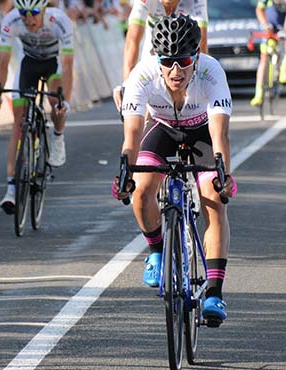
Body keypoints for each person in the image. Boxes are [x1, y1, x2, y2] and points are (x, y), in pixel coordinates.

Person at [112, 14, 237, 323]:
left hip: (202, 132)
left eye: (183, 60)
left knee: (212, 200)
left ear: (195, 55)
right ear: (158, 59)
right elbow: (132, 136)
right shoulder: (142, 76)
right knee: (141, 193)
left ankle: (214, 294)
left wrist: (224, 175)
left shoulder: (211, 71)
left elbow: (220, 135)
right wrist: (125, 173)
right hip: (162, 129)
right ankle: (156, 250)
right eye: (168, 62)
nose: (176, 70)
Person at [0, 0, 74, 214]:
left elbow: (67, 65)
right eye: (24, 13)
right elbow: (2, 62)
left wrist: (64, 100)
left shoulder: (60, 21)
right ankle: (11, 190)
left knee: (56, 100)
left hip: (53, 64)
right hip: (28, 64)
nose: (29, 19)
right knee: (19, 126)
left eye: (34, 12)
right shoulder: (11, 21)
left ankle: (57, 135)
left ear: (44, 10)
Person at [112, 0, 208, 111]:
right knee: (148, 89)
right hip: (155, 44)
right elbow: (132, 42)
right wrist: (127, 86)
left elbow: (202, 41)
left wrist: (200, 80)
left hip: (184, 47)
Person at [250, 0, 286, 107]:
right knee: (264, 58)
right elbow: (259, 9)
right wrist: (265, 24)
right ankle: (258, 94)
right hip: (271, 22)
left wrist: (285, 31)